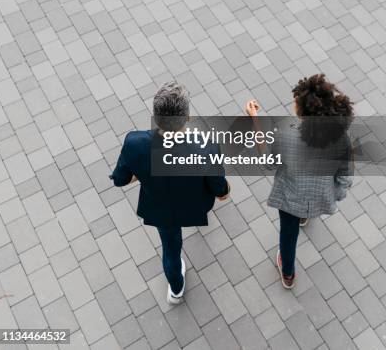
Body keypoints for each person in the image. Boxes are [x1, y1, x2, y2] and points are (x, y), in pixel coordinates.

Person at [110, 81, 230, 304]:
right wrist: (224, 191)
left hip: (161, 209)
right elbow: (217, 184)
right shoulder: (205, 146)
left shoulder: (134, 143)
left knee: (171, 250)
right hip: (195, 205)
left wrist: (141, 173)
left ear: (155, 117)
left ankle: (176, 290)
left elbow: (120, 179)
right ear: (187, 117)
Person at [246, 74, 353, 289]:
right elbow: (344, 176)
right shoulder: (341, 139)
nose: (294, 102)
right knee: (300, 213)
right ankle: (304, 216)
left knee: (288, 235)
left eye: (297, 101)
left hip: (289, 198)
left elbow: (267, 161)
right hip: (319, 197)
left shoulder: (287, 137)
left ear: (303, 111)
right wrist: (336, 195)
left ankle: (288, 273)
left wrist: (254, 118)